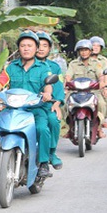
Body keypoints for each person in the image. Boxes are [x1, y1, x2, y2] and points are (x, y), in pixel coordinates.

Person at [0, 30, 54, 178]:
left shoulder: (43, 68)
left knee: (42, 129)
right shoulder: (11, 67)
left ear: (36, 48)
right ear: (19, 48)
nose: (26, 48)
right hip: (13, 108)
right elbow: (1, 81)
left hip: (35, 109)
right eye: (23, 45)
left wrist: (47, 93)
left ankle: (43, 163)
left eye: (30, 45)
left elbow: (48, 84)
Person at [65, 39, 107, 140]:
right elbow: (68, 76)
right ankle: (69, 127)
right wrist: (66, 85)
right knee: (65, 103)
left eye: (86, 50)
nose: (84, 52)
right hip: (75, 91)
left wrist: (102, 84)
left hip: (93, 91)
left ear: (90, 51)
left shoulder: (96, 63)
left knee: (102, 104)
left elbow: (101, 76)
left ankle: (99, 127)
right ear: (79, 52)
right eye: (81, 50)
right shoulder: (73, 63)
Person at [36, 31, 64, 170]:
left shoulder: (55, 67)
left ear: (49, 49)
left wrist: (57, 104)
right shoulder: (20, 65)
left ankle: (51, 153)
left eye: (45, 45)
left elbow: (58, 88)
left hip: (48, 105)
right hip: (26, 104)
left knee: (53, 120)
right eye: (39, 45)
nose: (41, 48)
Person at [89, 36, 107, 125]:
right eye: (93, 45)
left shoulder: (103, 60)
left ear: (101, 48)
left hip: (98, 86)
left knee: (105, 100)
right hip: (84, 86)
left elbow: (105, 75)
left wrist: (105, 87)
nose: (95, 47)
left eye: (98, 46)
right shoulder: (84, 58)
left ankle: (102, 121)